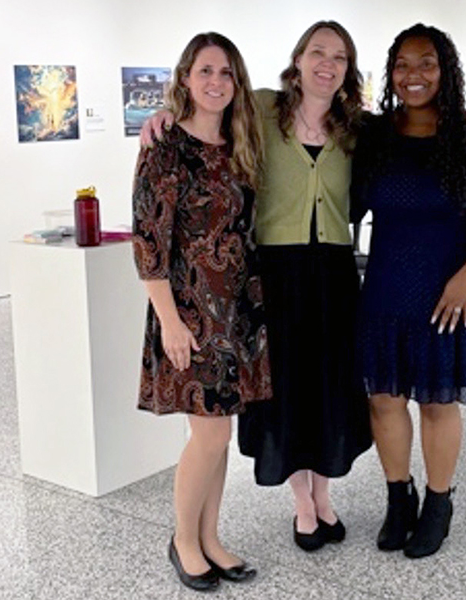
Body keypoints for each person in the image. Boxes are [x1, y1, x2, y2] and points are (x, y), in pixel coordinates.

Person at [142, 21, 372, 554]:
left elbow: (411, 133)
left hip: (334, 275)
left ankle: (324, 495)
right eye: (317, 52)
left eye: (339, 57)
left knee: (329, 386)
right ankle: (302, 504)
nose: (327, 64)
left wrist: (460, 118)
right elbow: (208, 107)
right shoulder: (264, 109)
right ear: (298, 59)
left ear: (348, 70)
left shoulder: (358, 127)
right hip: (275, 275)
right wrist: (164, 113)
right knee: (287, 390)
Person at [352, 23, 466, 559]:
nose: (414, 75)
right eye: (402, 65)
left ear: (445, 70)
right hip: (387, 290)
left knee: (436, 401)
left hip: (449, 297)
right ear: (390, 74)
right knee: (384, 399)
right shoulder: (376, 139)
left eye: (426, 63)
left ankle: (439, 503)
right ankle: (398, 497)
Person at [131, 32, 269, 593]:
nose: (216, 82)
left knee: (221, 433)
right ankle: (183, 540)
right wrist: (169, 320)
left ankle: (211, 539)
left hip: (236, 312)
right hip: (189, 312)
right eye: (205, 70)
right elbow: (148, 240)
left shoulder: (240, 144)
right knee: (208, 436)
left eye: (226, 72)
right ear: (186, 77)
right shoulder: (164, 145)